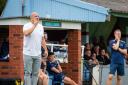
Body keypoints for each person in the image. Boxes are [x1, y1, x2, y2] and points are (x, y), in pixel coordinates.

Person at [23, 12, 48, 85]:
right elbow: (26, 33)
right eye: (35, 16)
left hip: (38, 54)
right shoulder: (26, 25)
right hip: (28, 53)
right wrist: (34, 25)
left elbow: (42, 39)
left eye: (38, 16)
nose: (37, 17)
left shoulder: (41, 27)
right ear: (31, 18)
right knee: (27, 73)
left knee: (35, 73)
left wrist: (46, 49)